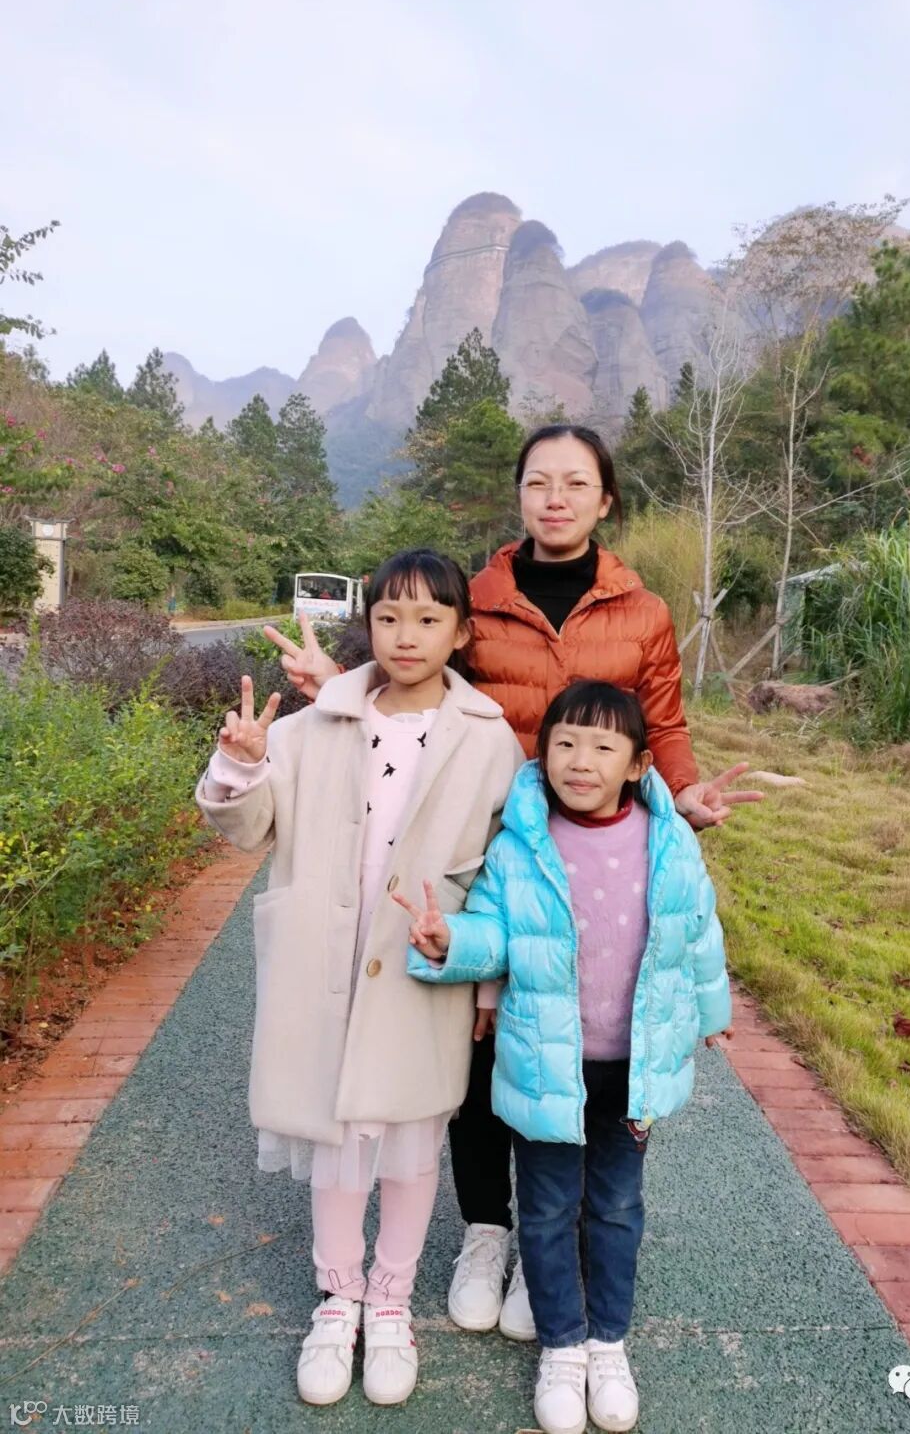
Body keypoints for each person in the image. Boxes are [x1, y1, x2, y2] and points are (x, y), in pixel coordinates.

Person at [264, 423, 762, 1341]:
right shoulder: (481, 597)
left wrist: (684, 793)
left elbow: (662, 722)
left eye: (575, 483)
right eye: (539, 482)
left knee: (579, 1043)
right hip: (491, 843)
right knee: (481, 1045)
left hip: (599, 851)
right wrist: (339, 684)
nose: (555, 498)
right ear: (520, 493)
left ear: (606, 499)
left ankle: (550, 1245)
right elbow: (417, 673)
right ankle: (487, 1232)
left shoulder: (643, 611)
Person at [195, 549, 522, 1409]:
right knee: (337, 1140)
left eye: (428, 619)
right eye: (388, 617)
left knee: (410, 1139)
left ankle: (392, 1297)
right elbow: (250, 827)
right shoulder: (312, 726)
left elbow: (502, 872)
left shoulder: (490, 739)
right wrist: (242, 765)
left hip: (423, 969)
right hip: (325, 964)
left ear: (462, 630)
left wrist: (485, 977)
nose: (407, 635)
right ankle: (338, 1297)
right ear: (366, 624)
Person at [396, 681, 732, 1434]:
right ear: (541, 753)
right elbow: (493, 930)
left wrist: (713, 1014)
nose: (581, 761)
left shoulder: (667, 841)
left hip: (631, 1072)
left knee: (616, 1207)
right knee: (547, 1211)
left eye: (603, 747)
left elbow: (698, 928)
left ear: (638, 763)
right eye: (565, 744)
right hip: (548, 1067)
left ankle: (608, 1342)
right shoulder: (522, 843)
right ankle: (562, 1346)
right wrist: (449, 942)